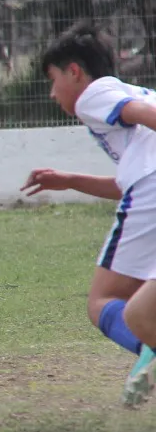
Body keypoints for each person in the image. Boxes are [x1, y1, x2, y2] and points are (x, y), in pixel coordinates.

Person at [23, 23, 156, 407]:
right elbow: (128, 183)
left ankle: (149, 350)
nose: (53, 92)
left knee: (103, 301)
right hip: (147, 191)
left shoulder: (94, 95)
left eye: (53, 80)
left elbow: (143, 177)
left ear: (75, 72)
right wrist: (70, 180)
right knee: (140, 298)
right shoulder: (135, 93)